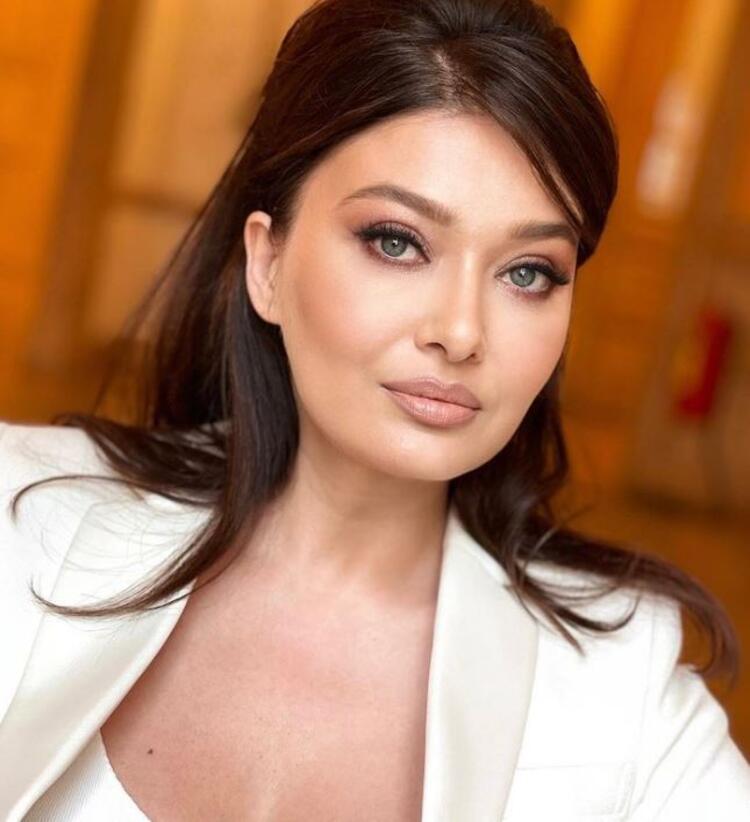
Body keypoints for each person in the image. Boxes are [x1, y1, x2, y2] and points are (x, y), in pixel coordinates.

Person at [1, 0, 749, 819]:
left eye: (528, 272)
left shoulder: (622, 688)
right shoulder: (21, 521)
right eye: (397, 241)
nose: (460, 332)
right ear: (267, 262)